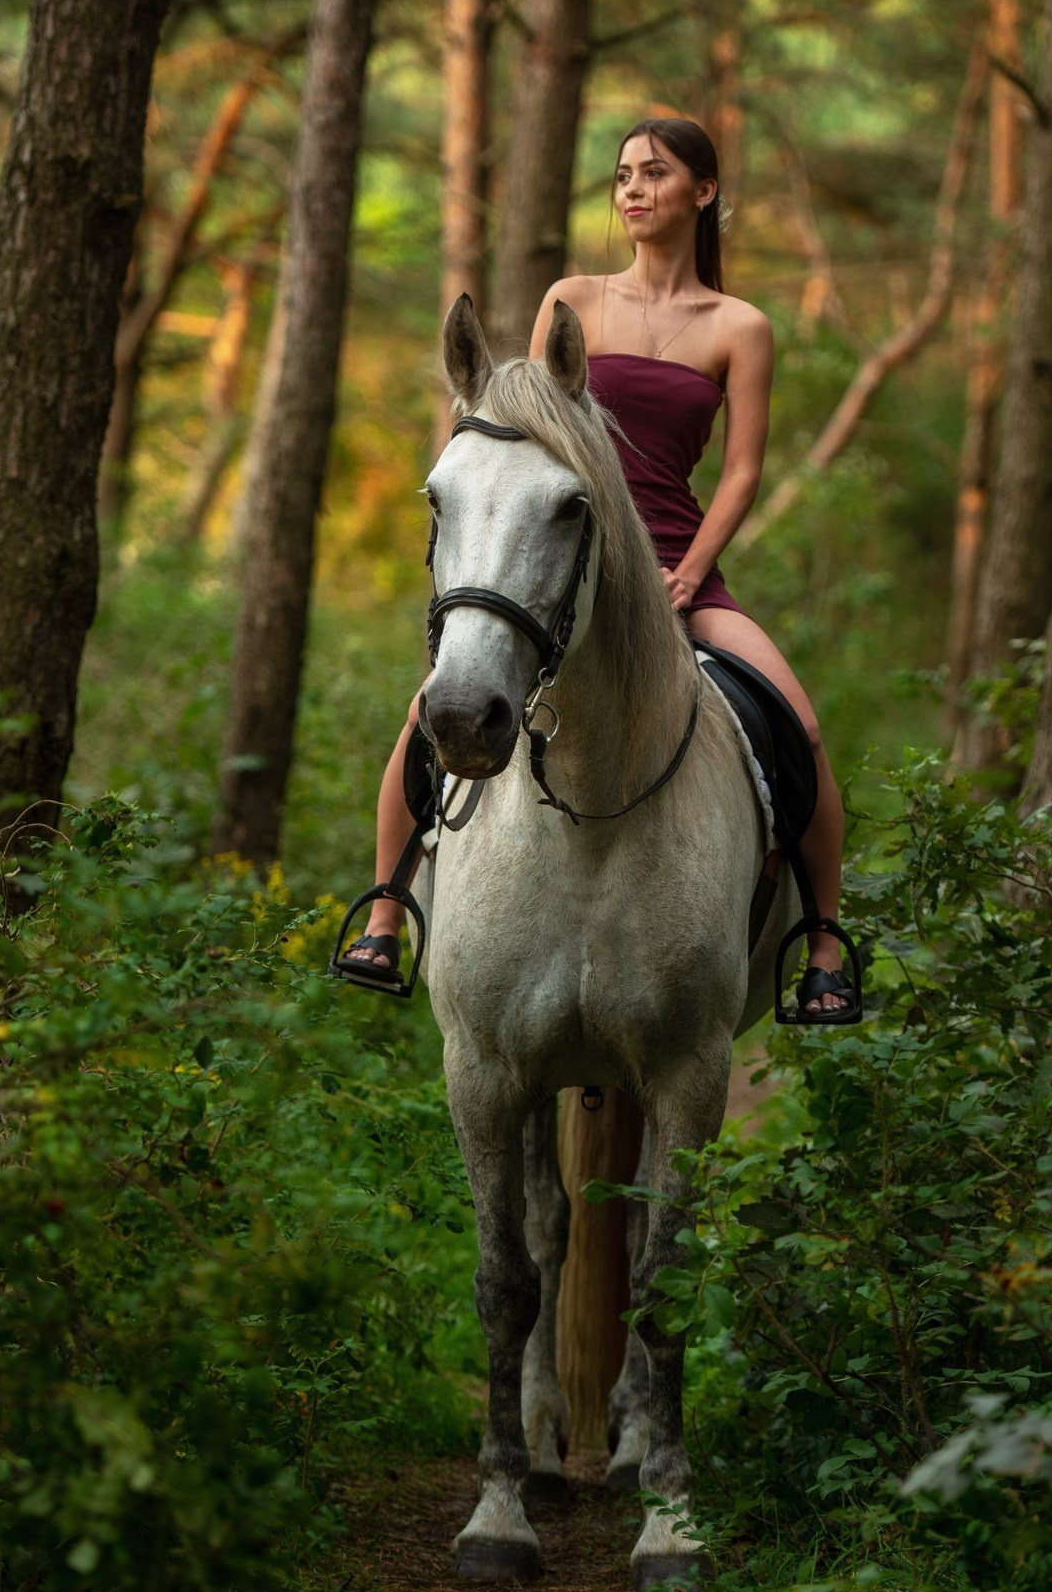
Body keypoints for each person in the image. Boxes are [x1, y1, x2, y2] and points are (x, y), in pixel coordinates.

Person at [338, 116, 853, 1018]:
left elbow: (741, 474)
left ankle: (823, 946)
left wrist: (691, 576)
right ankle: (385, 913)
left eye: (654, 173)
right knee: (425, 714)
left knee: (800, 731)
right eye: (622, 175)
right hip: (564, 561)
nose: (632, 189)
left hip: (678, 568)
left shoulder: (741, 326)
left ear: (704, 192)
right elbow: (531, 446)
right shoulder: (571, 299)